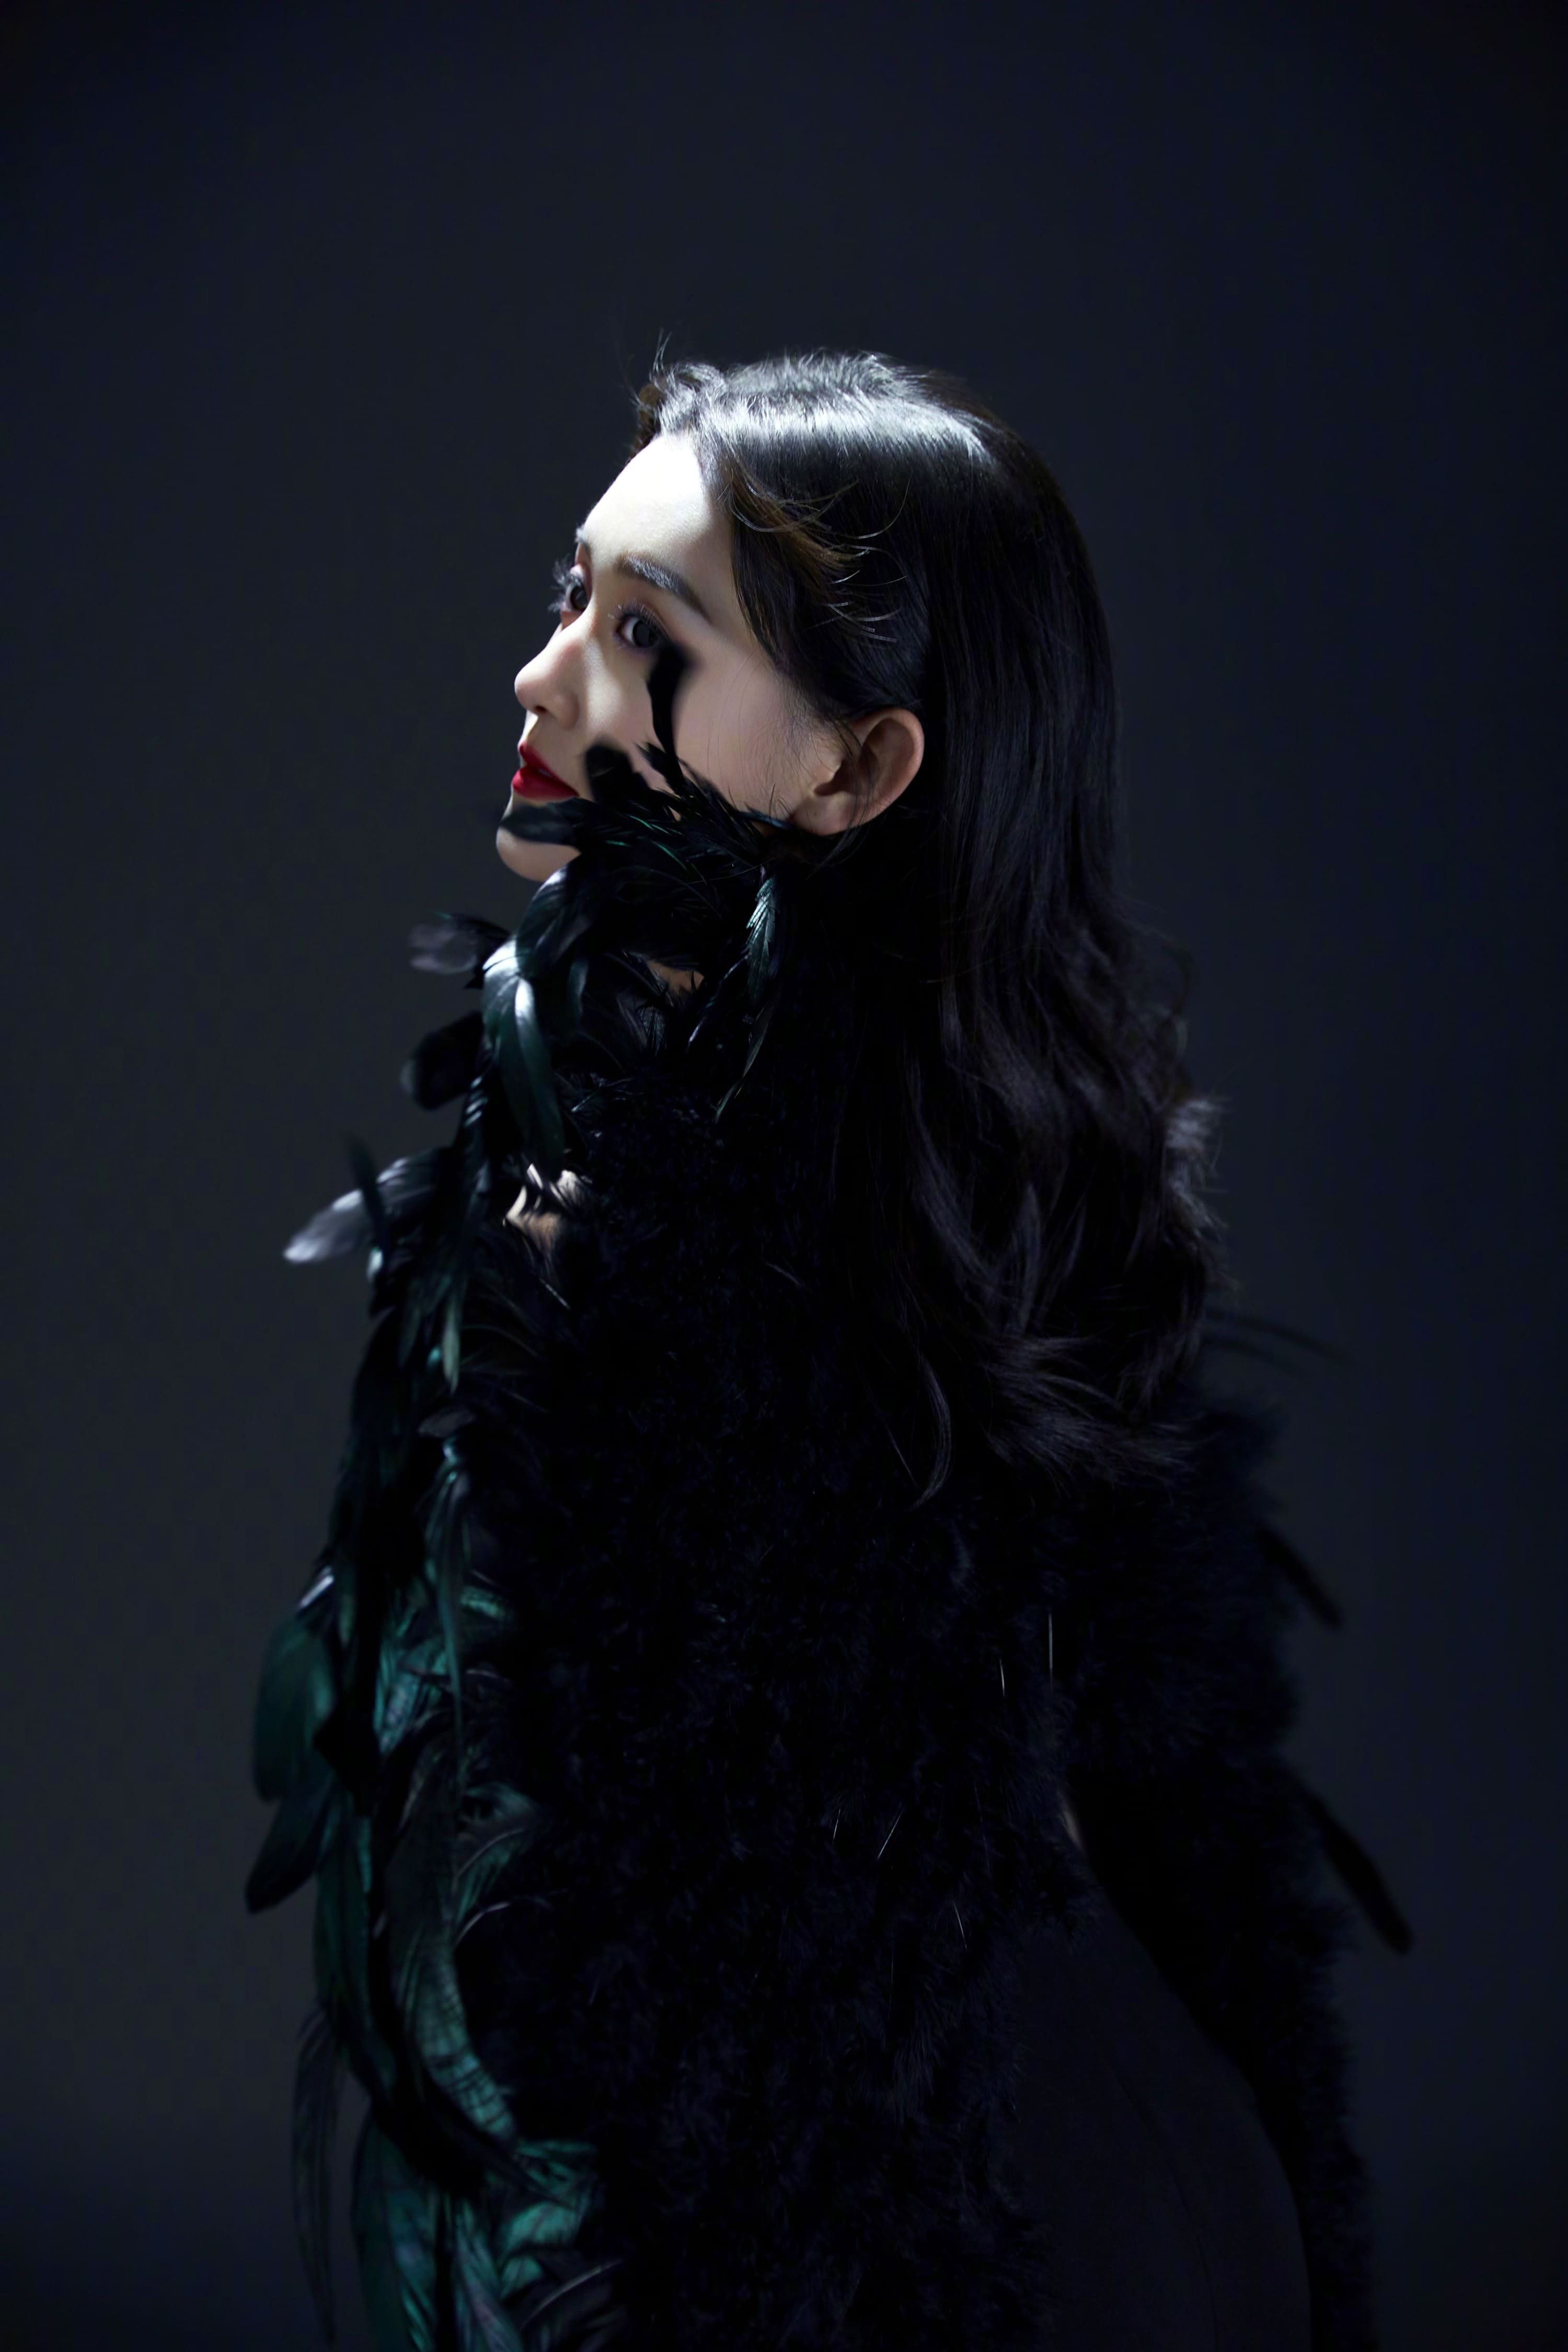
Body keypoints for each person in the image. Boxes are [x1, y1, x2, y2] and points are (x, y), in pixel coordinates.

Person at [247, 352, 1409, 2351]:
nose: (544, 676)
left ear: (861, 770)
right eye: (572, 597)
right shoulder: (790, 1155)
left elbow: (773, 1909)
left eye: (648, 638)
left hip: (1014, 2236)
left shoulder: (798, 1234)